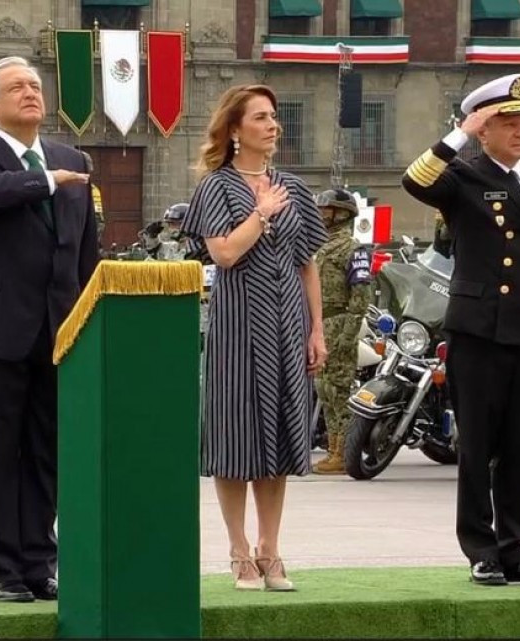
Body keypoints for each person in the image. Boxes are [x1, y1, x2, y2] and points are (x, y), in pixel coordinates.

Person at [0, 56, 100, 603]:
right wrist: (44, 182)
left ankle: (41, 563)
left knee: (44, 453)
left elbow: (85, 254)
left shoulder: (72, 158)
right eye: (17, 87)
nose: (31, 93)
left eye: (35, 85)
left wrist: (86, 323)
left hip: (57, 332)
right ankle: (3, 572)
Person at [403, 73, 520, 586]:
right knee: (477, 443)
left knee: (519, 444)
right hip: (477, 328)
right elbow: (415, 180)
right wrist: (459, 133)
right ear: (484, 129)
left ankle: (515, 545)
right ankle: (480, 547)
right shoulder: (463, 176)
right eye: (508, 123)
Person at [181, 84, 328, 592]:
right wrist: (260, 211)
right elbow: (224, 254)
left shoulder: (294, 187)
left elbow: (308, 264)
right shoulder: (215, 187)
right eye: (261, 117)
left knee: (281, 436)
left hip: (288, 321)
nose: (273, 125)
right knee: (235, 433)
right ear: (235, 129)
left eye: (274, 116)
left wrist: (317, 328)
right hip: (238, 321)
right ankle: (238, 550)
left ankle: (271, 549)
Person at [311, 188, 371, 475]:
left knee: (338, 390)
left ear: (342, 213)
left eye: (328, 209)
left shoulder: (353, 249)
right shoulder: (319, 246)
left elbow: (360, 296)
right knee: (323, 388)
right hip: (320, 323)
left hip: (340, 322)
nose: (322, 214)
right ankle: (333, 447)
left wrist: (349, 334)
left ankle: (344, 451)